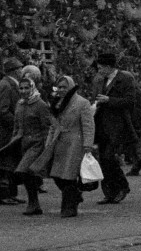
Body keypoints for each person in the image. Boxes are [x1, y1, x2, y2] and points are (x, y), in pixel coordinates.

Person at [28, 75, 94, 218]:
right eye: (60, 87)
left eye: (65, 87)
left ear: (71, 86)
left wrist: (88, 144)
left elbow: (88, 125)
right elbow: (53, 124)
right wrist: (49, 142)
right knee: (57, 175)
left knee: (68, 175)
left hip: (75, 143)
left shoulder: (82, 103)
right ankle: (74, 196)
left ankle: (69, 208)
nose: (62, 90)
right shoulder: (56, 103)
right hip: (58, 142)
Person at [91, 52, 133, 204]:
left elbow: (130, 101)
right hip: (101, 124)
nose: (99, 70)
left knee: (109, 158)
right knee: (103, 159)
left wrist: (110, 100)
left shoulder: (125, 78)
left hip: (117, 125)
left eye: (101, 67)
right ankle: (109, 192)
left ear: (109, 67)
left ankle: (122, 186)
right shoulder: (99, 80)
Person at [10, 75, 54, 215]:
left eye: (26, 87)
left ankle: (33, 202)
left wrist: (47, 146)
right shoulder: (20, 103)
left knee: (24, 170)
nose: (23, 90)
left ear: (32, 87)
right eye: (21, 88)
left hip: (36, 143)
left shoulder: (40, 104)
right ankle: (34, 203)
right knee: (27, 173)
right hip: (22, 143)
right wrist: (14, 139)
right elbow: (17, 124)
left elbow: (46, 126)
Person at [0, 57, 23, 205]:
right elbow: (2, 110)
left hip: (10, 131)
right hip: (6, 132)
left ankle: (10, 193)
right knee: (5, 163)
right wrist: (16, 124)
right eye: (20, 69)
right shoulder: (6, 85)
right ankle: (4, 194)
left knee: (11, 162)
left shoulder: (10, 84)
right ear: (14, 71)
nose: (22, 71)